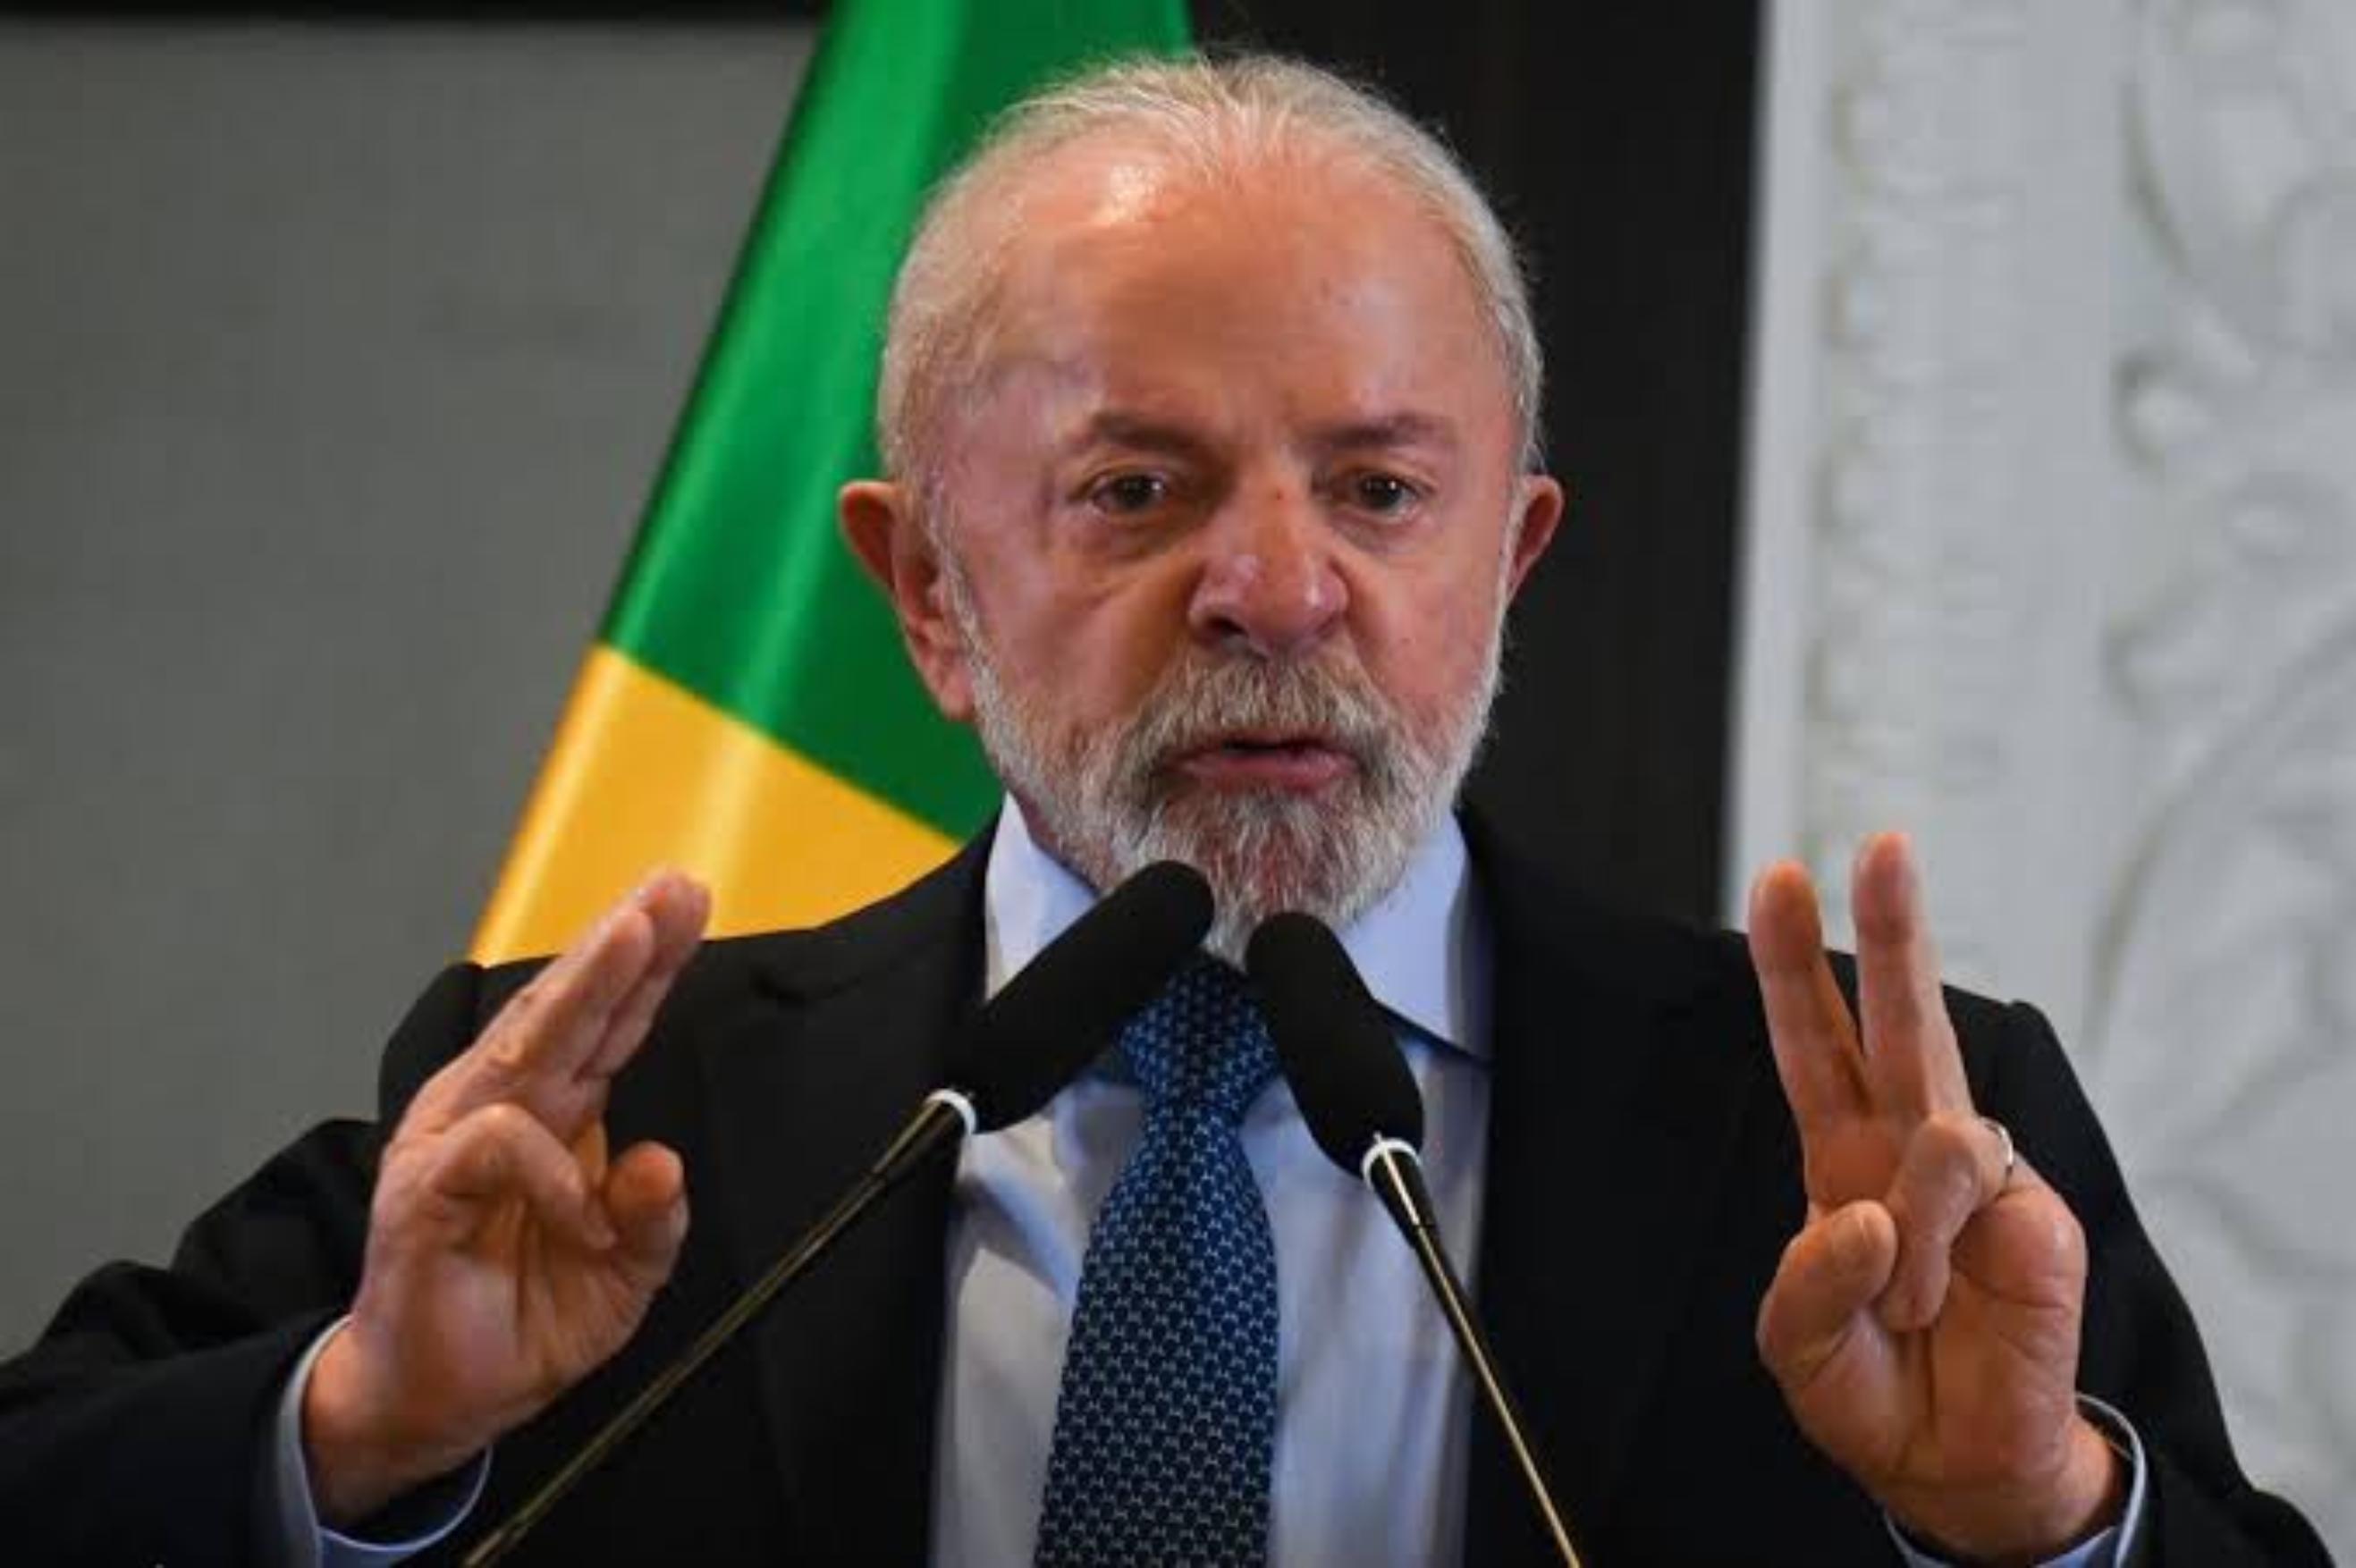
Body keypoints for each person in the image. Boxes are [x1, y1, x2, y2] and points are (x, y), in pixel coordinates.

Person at [0, 54, 2327, 1568]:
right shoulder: (601, 1118)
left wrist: (2042, 1521)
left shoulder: (1874, 1151)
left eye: (1380, 488)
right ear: (926, 589)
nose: (1274, 588)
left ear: (1509, 560)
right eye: (1136, 488)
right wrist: (358, 1429)